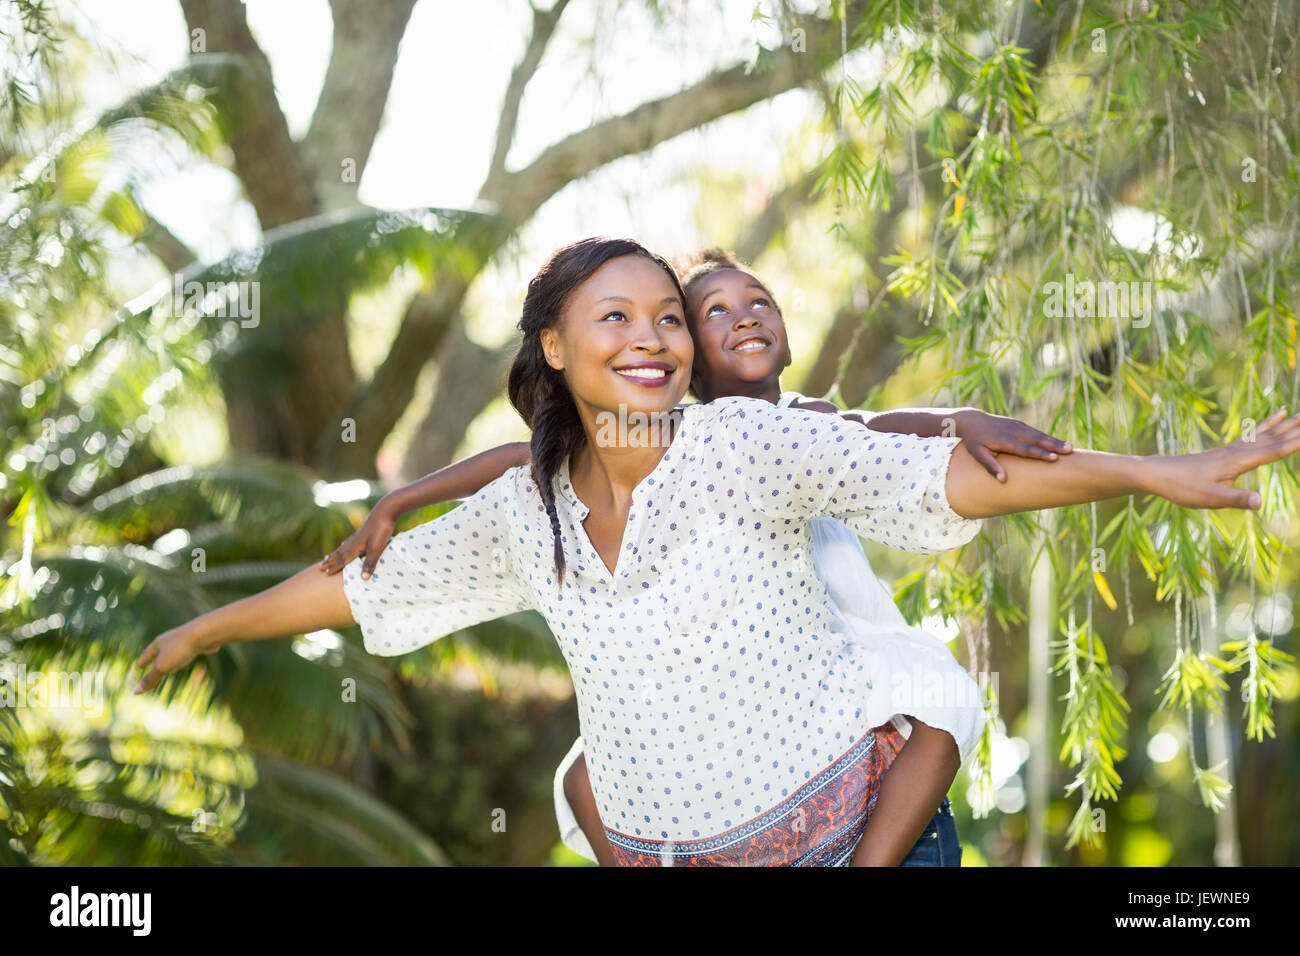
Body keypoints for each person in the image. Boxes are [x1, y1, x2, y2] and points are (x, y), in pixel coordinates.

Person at [134, 237, 1300, 867]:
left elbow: (924, 468)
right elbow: (364, 588)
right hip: (661, 848)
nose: (654, 338)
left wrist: (1158, 469)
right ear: (554, 341)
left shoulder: (745, 442)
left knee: (931, 703)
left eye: (666, 317)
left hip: (849, 826)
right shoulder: (526, 508)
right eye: (617, 317)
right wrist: (203, 625)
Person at [315, 246, 1074, 866]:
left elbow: (886, 422)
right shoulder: (685, 441)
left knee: (933, 706)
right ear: (690, 363)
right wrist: (401, 500)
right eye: (712, 311)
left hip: (829, 645)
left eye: (759, 301)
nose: (746, 316)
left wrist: (960, 418)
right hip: (730, 683)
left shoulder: (791, 424)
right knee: (584, 775)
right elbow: (522, 458)